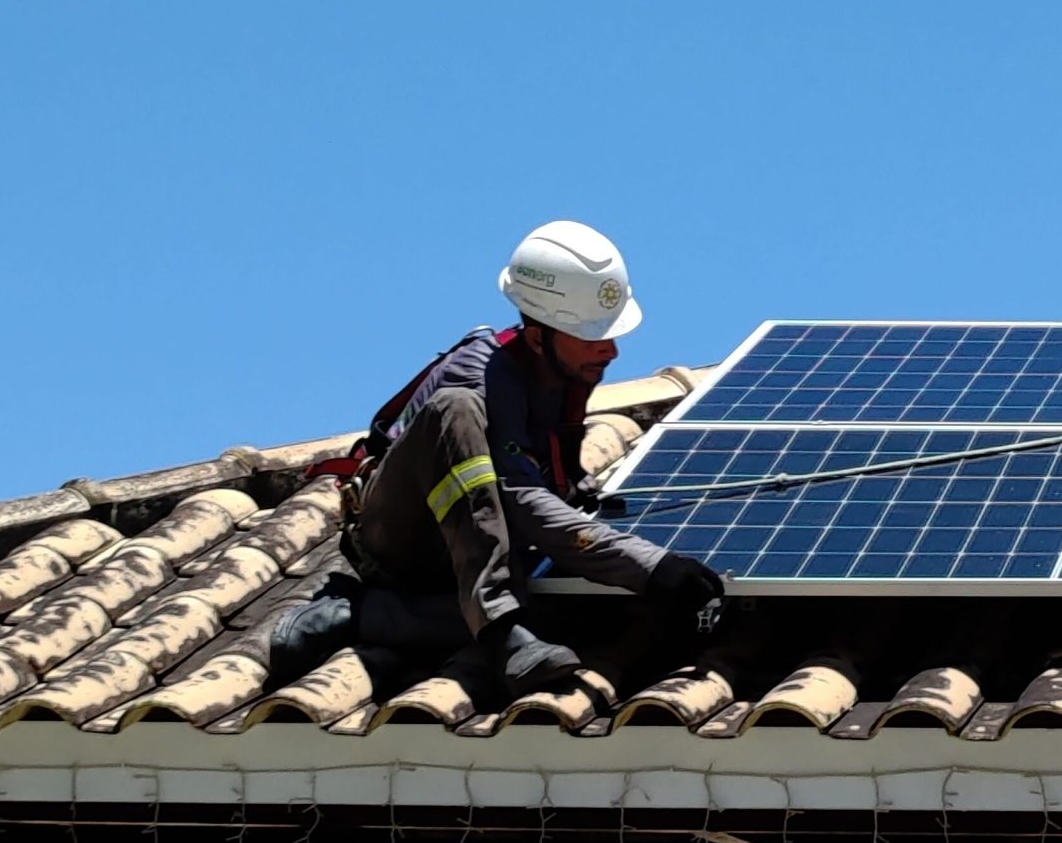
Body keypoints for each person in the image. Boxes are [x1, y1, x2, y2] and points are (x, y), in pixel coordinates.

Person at [271, 221, 724, 694]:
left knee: (581, 615)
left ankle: (369, 614)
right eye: (591, 336)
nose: (610, 350)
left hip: (474, 545)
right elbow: (520, 497)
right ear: (537, 336)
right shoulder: (476, 378)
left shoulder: (562, 372)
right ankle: (500, 629)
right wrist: (651, 566)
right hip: (407, 540)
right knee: (455, 409)